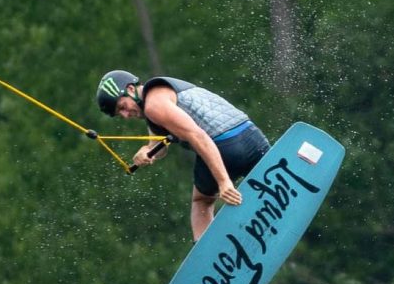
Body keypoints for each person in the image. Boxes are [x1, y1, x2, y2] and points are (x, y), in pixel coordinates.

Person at [96, 70, 270, 241]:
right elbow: (159, 145)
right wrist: (147, 152)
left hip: (225, 148)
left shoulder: (153, 106)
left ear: (131, 89)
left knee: (201, 201)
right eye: (120, 114)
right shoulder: (159, 94)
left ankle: (207, 258)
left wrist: (223, 182)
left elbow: (198, 135)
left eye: (122, 107)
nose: (126, 115)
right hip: (251, 136)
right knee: (274, 177)